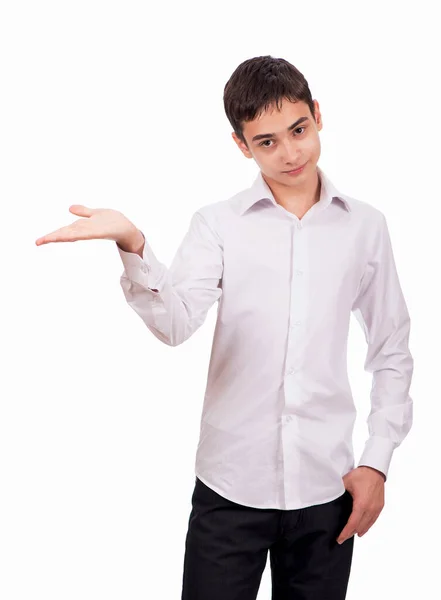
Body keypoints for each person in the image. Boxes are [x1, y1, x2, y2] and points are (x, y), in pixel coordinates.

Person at [35, 55, 414, 599]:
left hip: (327, 490)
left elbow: (391, 350)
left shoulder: (367, 227)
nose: (290, 153)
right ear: (241, 145)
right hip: (230, 489)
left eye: (299, 130)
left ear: (318, 116)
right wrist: (134, 244)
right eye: (266, 142)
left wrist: (376, 462)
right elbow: (176, 322)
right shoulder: (217, 224)